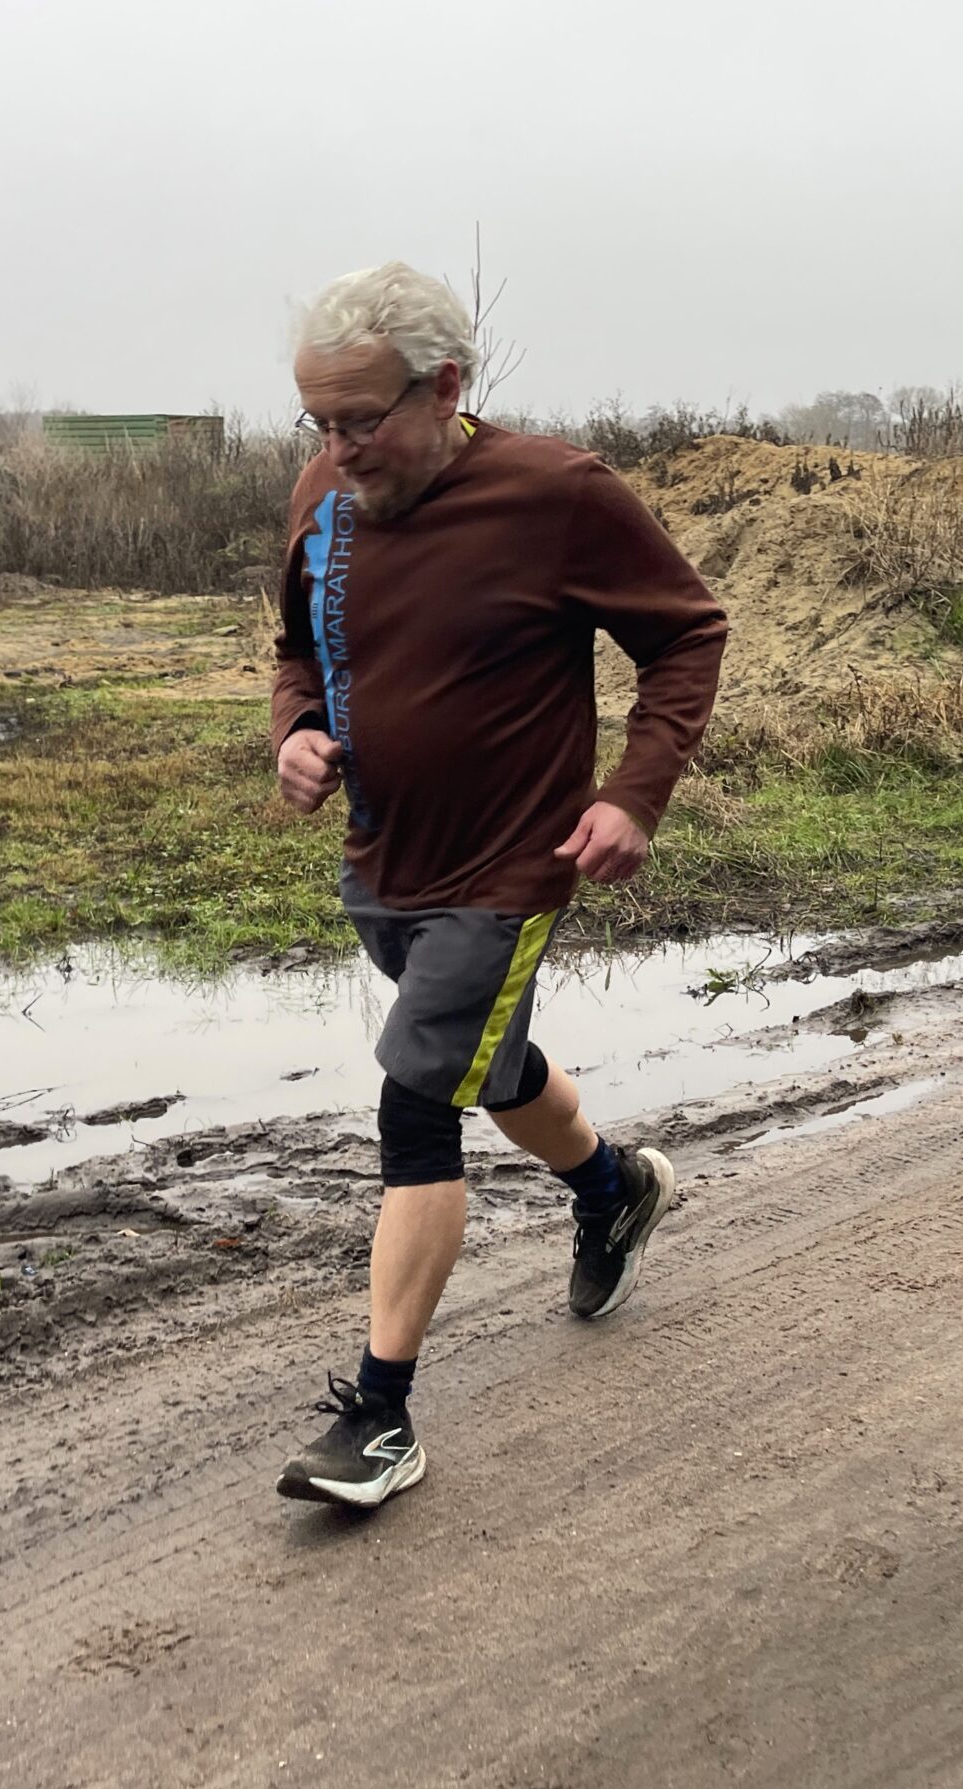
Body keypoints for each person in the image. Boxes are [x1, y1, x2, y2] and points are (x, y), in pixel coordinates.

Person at [270, 261, 728, 1508]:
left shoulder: (556, 493)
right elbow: (298, 649)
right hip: (385, 859)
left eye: (360, 421)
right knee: (486, 1058)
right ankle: (615, 1189)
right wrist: (295, 730)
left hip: (508, 868)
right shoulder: (325, 494)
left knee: (418, 1098)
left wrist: (634, 793)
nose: (337, 449)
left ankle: (380, 1418)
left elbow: (686, 632)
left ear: (445, 387)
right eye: (317, 421)